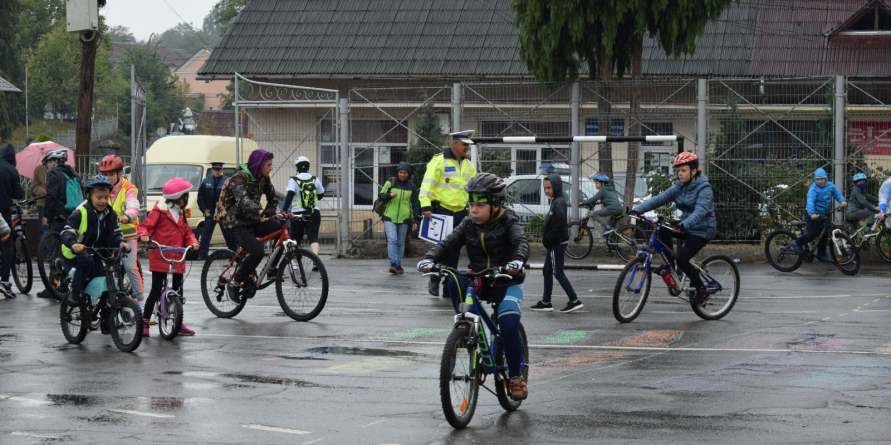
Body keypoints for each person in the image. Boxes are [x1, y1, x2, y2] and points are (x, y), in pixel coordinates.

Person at [417, 173, 530, 400]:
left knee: (508, 324)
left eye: (479, 205)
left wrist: (517, 262)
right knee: (454, 278)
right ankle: (466, 327)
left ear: (496, 204)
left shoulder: (509, 221)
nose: (473, 210)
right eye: (470, 205)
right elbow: (448, 243)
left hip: (507, 280)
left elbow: (521, 243)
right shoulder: (468, 224)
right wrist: (430, 259)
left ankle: (516, 375)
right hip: (481, 277)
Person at [629, 152, 716, 306]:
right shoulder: (679, 187)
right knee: (664, 228)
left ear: (693, 171)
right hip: (686, 225)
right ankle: (671, 267)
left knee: (683, 259)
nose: (680, 174)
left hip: (703, 229)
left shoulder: (704, 189)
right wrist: (638, 210)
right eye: (678, 171)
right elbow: (660, 199)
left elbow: (701, 211)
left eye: (683, 170)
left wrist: (684, 225)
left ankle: (702, 290)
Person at [60, 175, 131, 315]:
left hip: (99, 255)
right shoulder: (80, 213)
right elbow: (66, 232)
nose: (103, 201)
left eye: (106, 197)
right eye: (99, 197)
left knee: (107, 284)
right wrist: (74, 244)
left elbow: (116, 233)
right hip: (78, 256)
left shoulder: (110, 215)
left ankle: (107, 319)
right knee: (87, 260)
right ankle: (75, 292)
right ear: (88, 196)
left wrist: (122, 242)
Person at [418, 130, 477, 297]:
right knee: (441, 248)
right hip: (441, 211)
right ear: (455, 144)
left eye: (468, 145)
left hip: (460, 212)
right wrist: (426, 207)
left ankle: (448, 286)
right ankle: (435, 279)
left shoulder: (468, 165)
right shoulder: (439, 161)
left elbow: (472, 189)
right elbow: (427, 185)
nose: (467, 148)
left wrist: (474, 208)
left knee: (455, 250)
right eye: (465, 145)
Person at [138, 178, 199, 337]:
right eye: (186, 196)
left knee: (178, 290)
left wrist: (193, 242)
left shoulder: (181, 213)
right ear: (180, 198)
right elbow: (145, 226)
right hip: (161, 255)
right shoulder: (160, 211)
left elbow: (187, 232)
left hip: (178, 256)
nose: (187, 199)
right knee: (156, 289)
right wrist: (144, 235)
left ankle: (177, 321)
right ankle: (145, 322)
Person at [217, 149, 279, 303]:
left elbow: (273, 197)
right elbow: (242, 200)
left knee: (281, 228)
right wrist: (260, 211)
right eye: (268, 165)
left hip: (252, 220)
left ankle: (271, 269)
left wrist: (269, 212)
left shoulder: (264, 178)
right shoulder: (238, 178)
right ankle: (234, 283)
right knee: (257, 252)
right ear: (259, 165)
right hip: (235, 222)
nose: (271, 168)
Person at [98, 155, 145, 310]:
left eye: (111, 174)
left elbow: (133, 205)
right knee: (102, 266)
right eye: (105, 175)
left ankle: (141, 302)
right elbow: (87, 204)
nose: (108, 178)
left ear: (119, 174)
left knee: (130, 267)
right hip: (108, 236)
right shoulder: (99, 188)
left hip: (128, 236)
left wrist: (128, 216)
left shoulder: (128, 188)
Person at [530, 173, 582, 313]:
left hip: (556, 244)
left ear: (556, 187)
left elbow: (558, 226)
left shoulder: (558, 202)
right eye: (545, 188)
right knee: (547, 271)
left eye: (549, 187)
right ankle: (546, 302)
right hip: (554, 243)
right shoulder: (555, 200)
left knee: (557, 272)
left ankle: (574, 300)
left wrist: (548, 240)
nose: (547, 190)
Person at [789, 168, 847, 263]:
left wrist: (842, 201)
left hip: (823, 213)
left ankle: (821, 254)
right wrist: (812, 214)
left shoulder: (830, 186)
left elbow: (836, 194)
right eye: (818, 179)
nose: (820, 181)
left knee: (824, 233)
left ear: (826, 178)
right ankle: (797, 243)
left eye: (822, 179)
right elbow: (810, 201)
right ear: (815, 180)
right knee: (813, 233)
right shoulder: (813, 189)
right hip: (812, 214)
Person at [378, 161, 420, 274]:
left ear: (408, 174)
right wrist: (389, 195)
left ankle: (398, 264)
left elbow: (415, 204)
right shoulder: (390, 182)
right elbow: (381, 196)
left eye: (405, 173)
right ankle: (393, 264)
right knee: (392, 239)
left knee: (401, 242)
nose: (402, 174)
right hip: (389, 216)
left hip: (404, 218)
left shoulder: (412, 186)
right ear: (397, 173)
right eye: (400, 172)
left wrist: (416, 219)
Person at [282, 156, 324, 257]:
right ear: (308, 166)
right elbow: (321, 194)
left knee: (296, 238)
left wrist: (284, 210)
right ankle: (315, 260)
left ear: (297, 167)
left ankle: (296, 262)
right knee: (313, 237)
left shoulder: (294, 180)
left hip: (297, 213)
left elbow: (290, 195)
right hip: (314, 212)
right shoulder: (315, 179)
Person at [196, 162, 236, 259]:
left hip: (223, 213)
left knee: (228, 234)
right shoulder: (205, 182)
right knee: (206, 234)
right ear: (212, 170)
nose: (217, 171)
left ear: (221, 170)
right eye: (215, 169)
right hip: (210, 212)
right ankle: (202, 255)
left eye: (219, 170)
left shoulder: (227, 181)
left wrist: (227, 211)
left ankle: (233, 254)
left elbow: (232, 197)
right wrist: (204, 209)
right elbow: (200, 197)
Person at [0, 144, 24, 298]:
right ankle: (4, 281)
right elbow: (18, 192)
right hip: (3, 210)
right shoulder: (11, 170)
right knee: (7, 244)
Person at [43, 149, 81, 234]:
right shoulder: (74, 174)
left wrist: (46, 215)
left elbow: (51, 195)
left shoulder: (53, 173)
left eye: (47, 165)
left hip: (59, 217)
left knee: (54, 243)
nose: (47, 168)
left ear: (52, 162)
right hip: (76, 214)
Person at [31, 162, 47, 241]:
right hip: (43, 203)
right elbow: (35, 187)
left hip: (56, 204)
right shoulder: (39, 169)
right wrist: (44, 191)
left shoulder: (59, 170)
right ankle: (42, 252)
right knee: (43, 229)